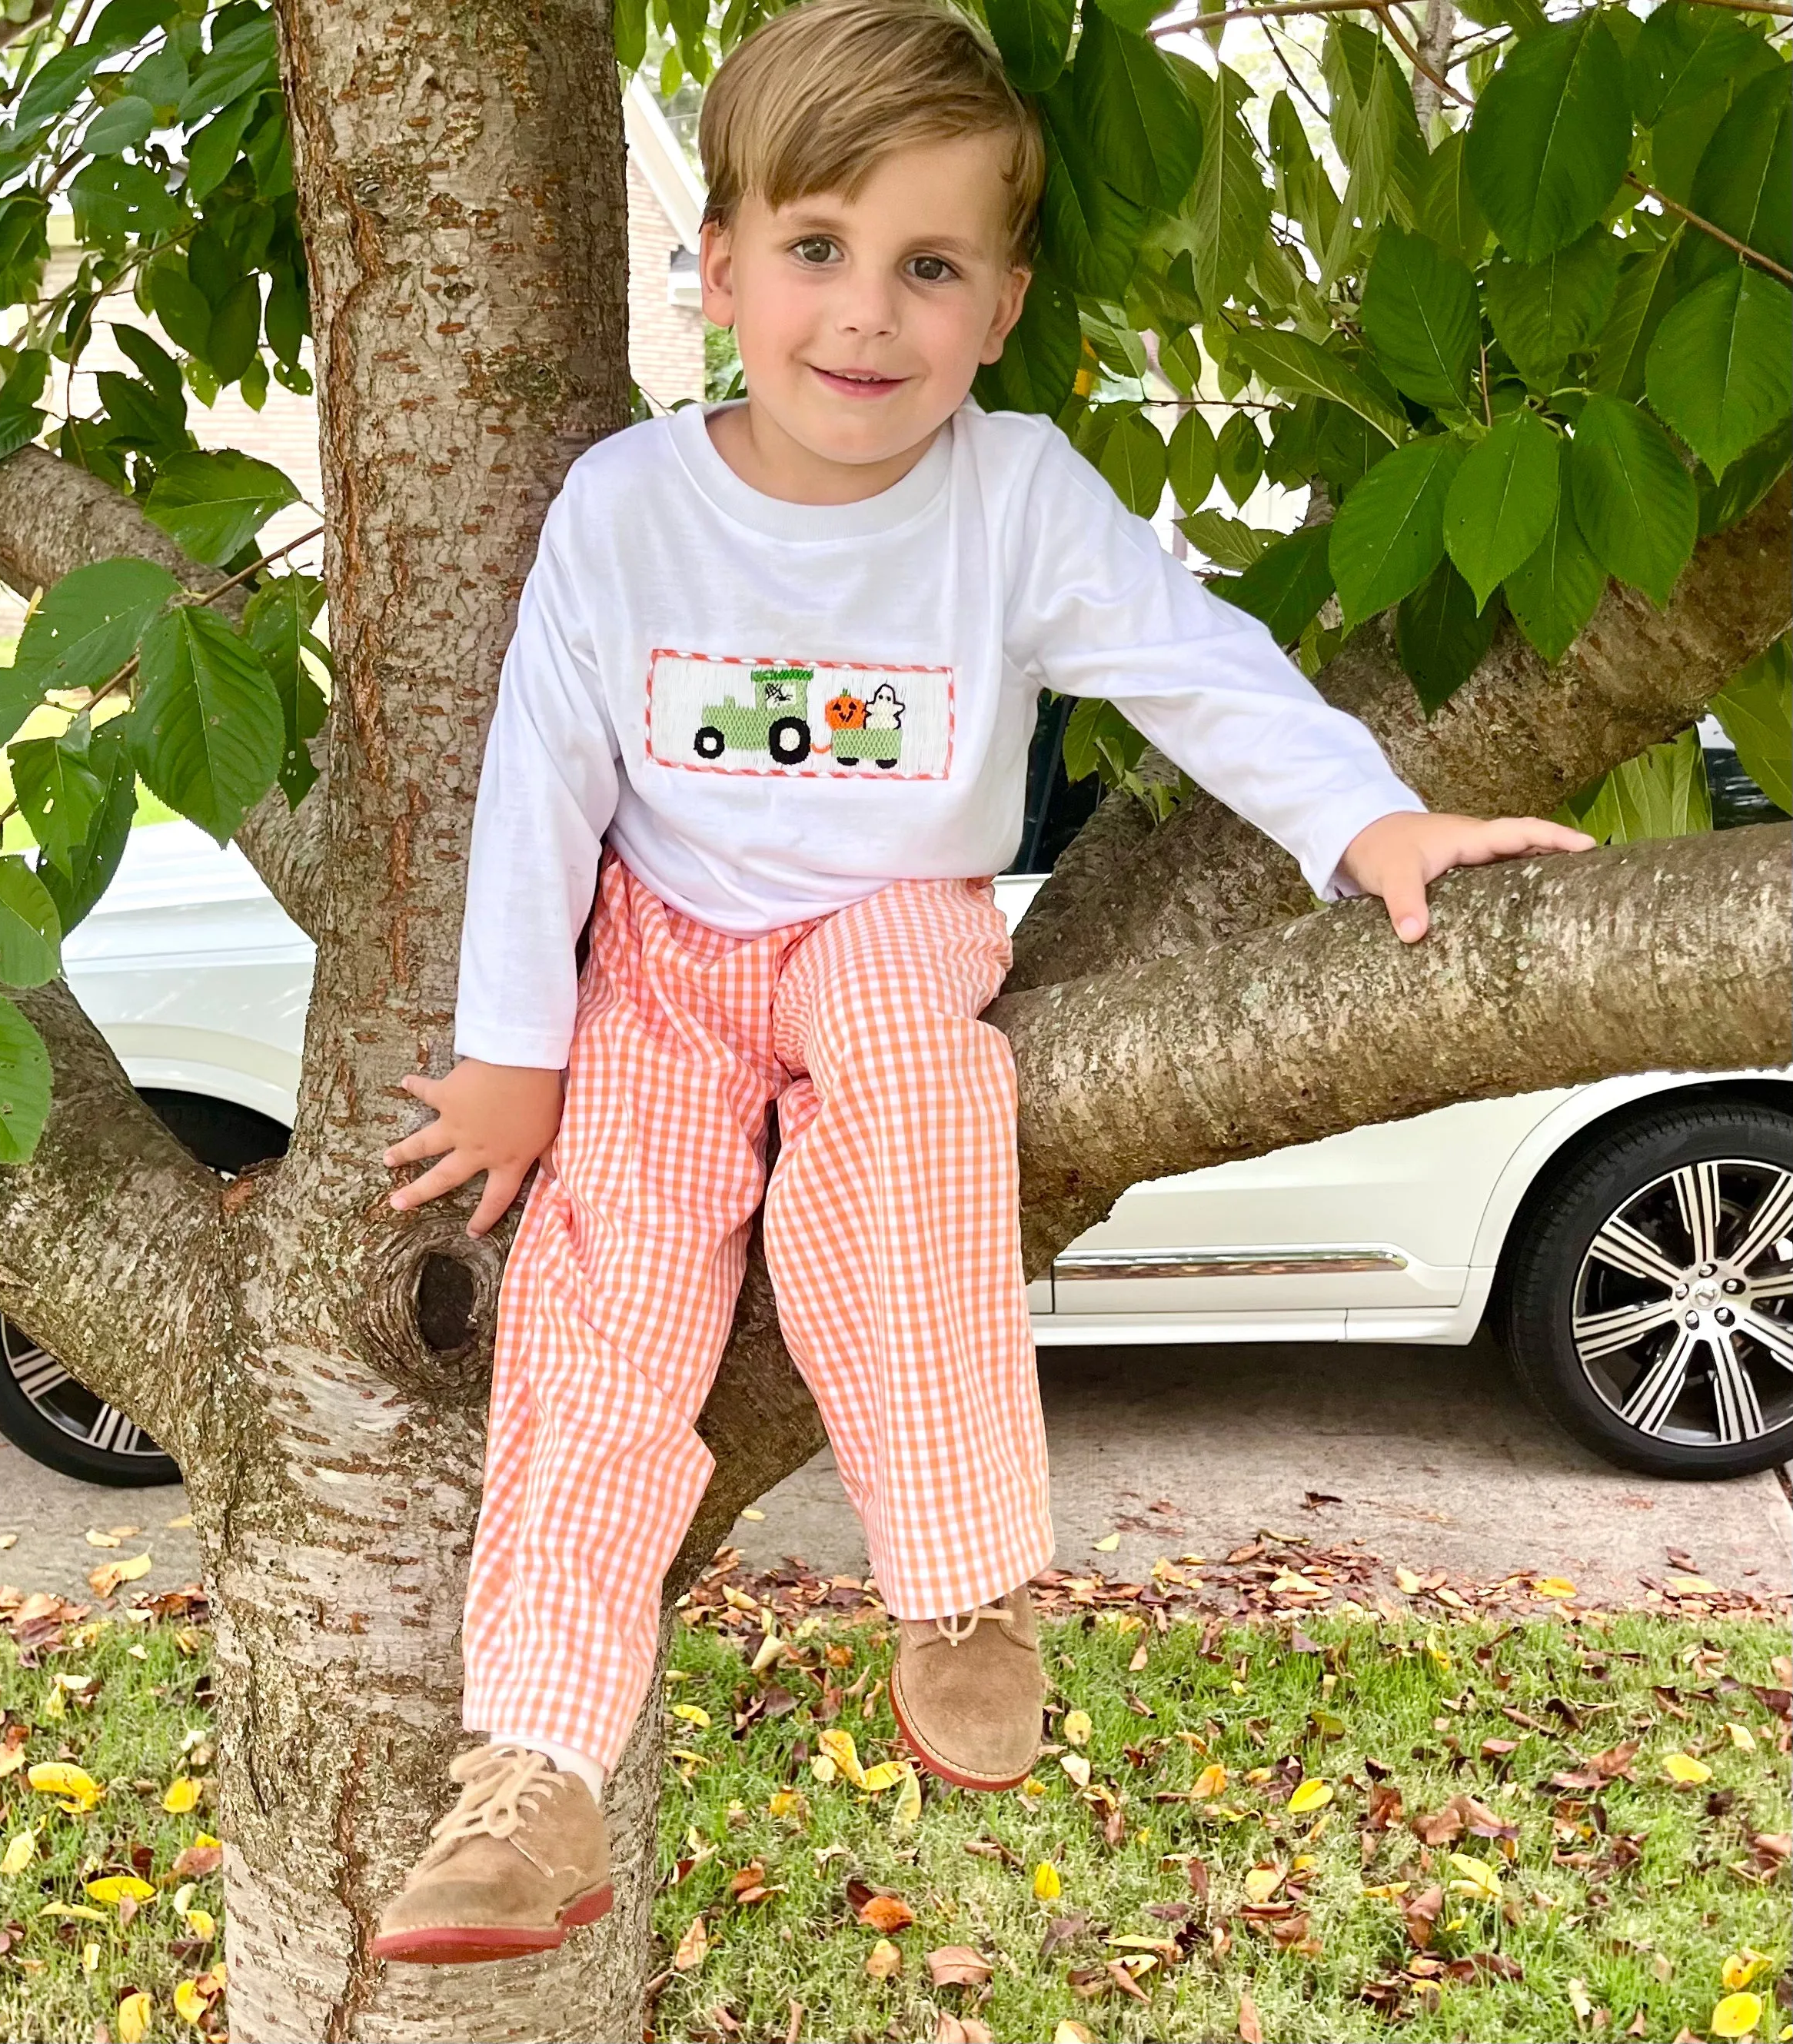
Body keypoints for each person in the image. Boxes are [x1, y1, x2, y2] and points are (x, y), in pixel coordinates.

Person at [369, 0, 1594, 1966]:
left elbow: (1195, 664)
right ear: (722, 266)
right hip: (661, 958)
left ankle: (955, 1581)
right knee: (606, 1290)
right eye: (818, 252)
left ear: (1002, 303)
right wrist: (515, 1054)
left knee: (929, 1122)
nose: (867, 318)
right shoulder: (631, 507)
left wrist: (1369, 827)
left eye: (929, 268)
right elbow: (544, 772)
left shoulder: (1015, 496)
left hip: (888, 929)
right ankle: (536, 1769)